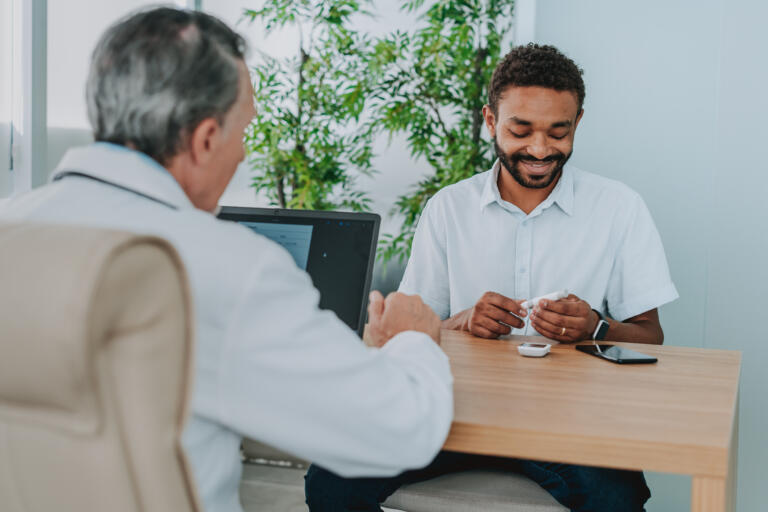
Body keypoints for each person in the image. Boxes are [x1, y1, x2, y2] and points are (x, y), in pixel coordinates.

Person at [0, 8, 454, 512]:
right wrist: (413, 338)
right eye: (244, 133)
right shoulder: (227, 266)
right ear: (206, 139)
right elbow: (398, 431)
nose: (241, 155)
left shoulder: (10, 226)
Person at [305, 44, 678, 512]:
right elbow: (406, 334)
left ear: (578, 123)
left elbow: (651, 337)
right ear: (489, 120)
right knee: (331, 479)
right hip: (456, 413)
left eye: (558, 132)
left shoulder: (619, 208)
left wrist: (594, 328)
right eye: (520, 130)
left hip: (571, 423)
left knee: (616, 500)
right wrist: (461, 321)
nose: (540, 150)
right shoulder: (449, 208)